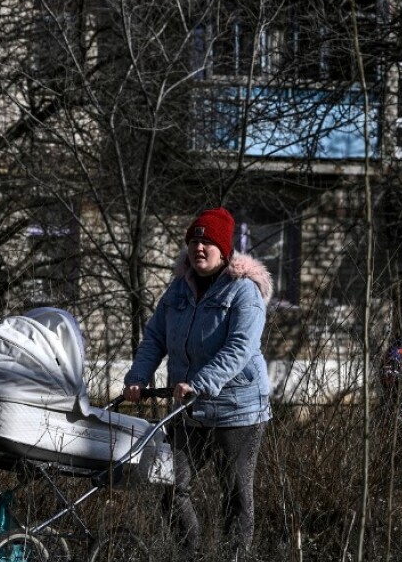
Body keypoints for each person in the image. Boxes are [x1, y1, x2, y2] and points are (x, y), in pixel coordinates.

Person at [123, 207, 273, 561]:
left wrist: (200, 383)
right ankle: (189, 554)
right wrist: (137, 376)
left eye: (207, 242)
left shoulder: (243, 292)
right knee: (169, 483)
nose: (199, 248)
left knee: (235, 492)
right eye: (194, 241)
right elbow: (155, 338)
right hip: (188, 409)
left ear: (224, 249)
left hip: (237, 409)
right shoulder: (178, 289)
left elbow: (240, 347)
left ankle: (232, 556)